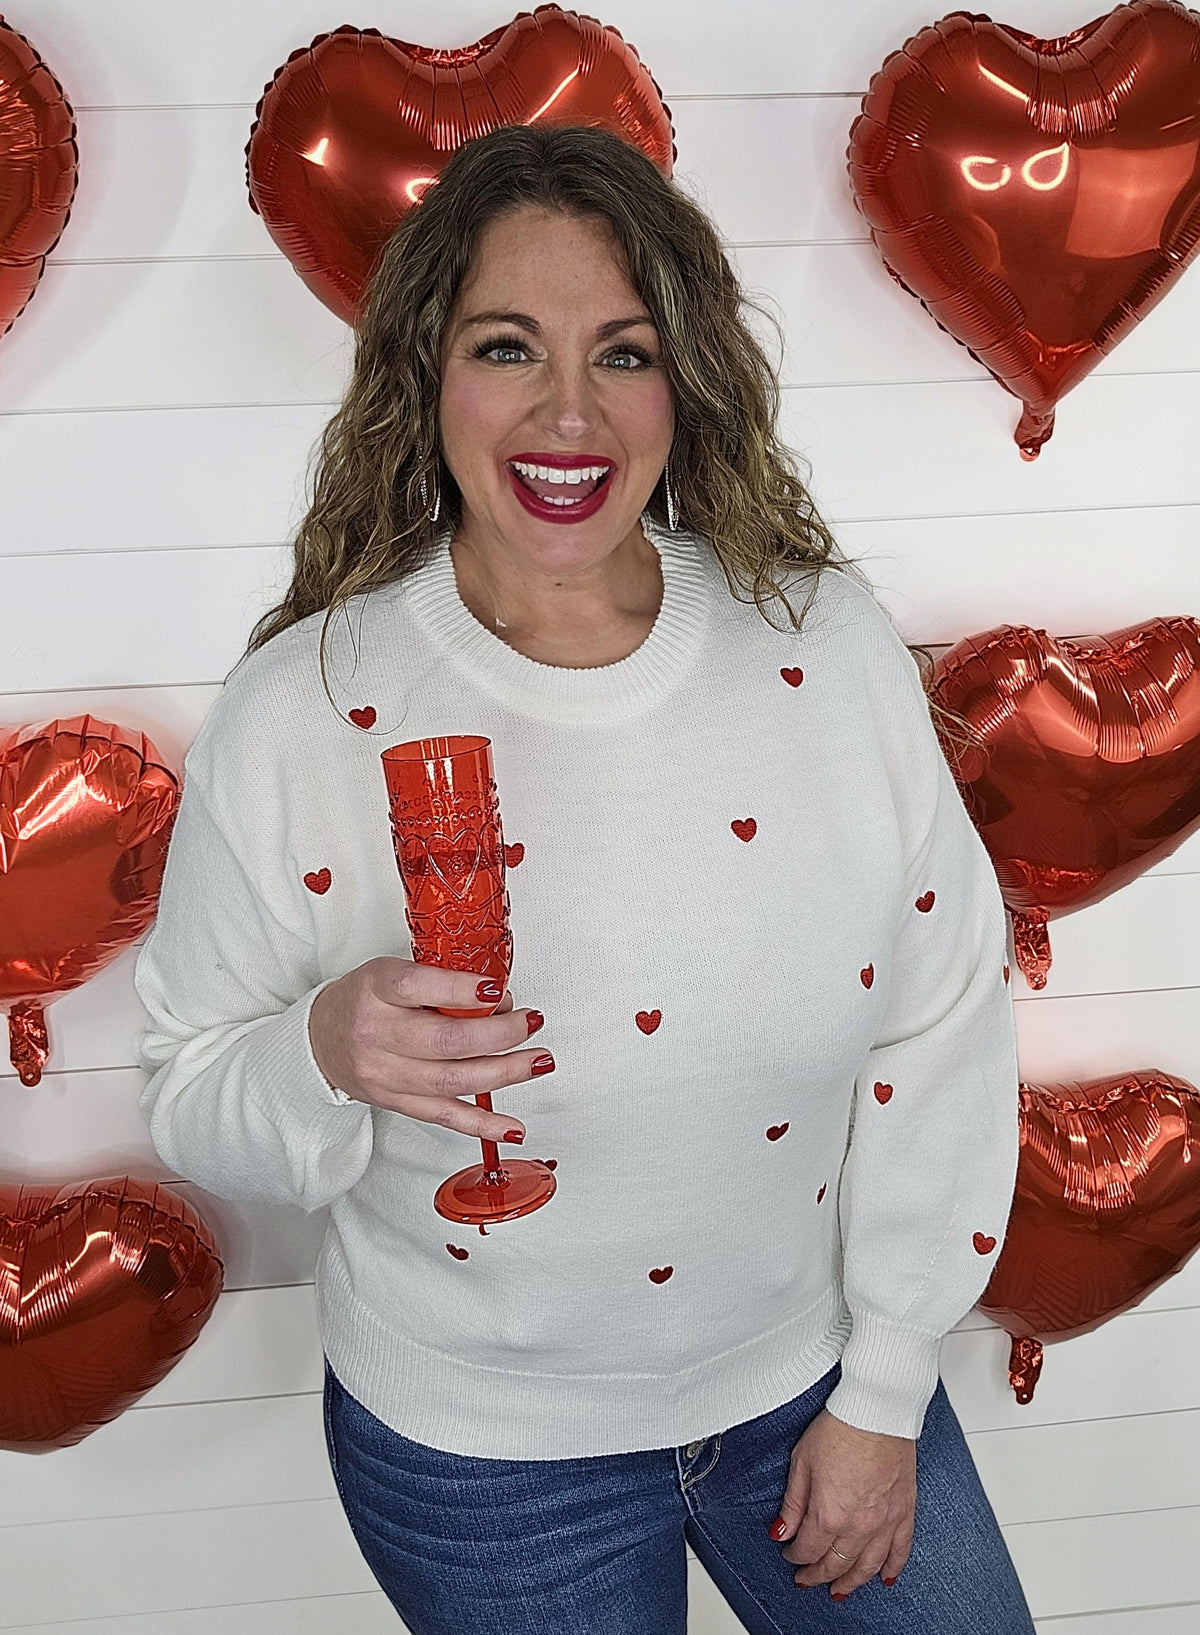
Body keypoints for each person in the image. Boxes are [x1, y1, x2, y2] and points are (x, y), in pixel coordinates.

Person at [134, 123, 1036, 1634]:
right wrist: (321, 1049)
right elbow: (188, 1093)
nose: (570, 411)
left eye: (623, 354)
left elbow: (941, 1020)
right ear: (428, 377)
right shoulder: (305, 709)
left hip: (813, 1385)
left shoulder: (822, 643)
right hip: (485, 1469)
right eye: (507, 346)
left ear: (687, 383)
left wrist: (885, 1389)